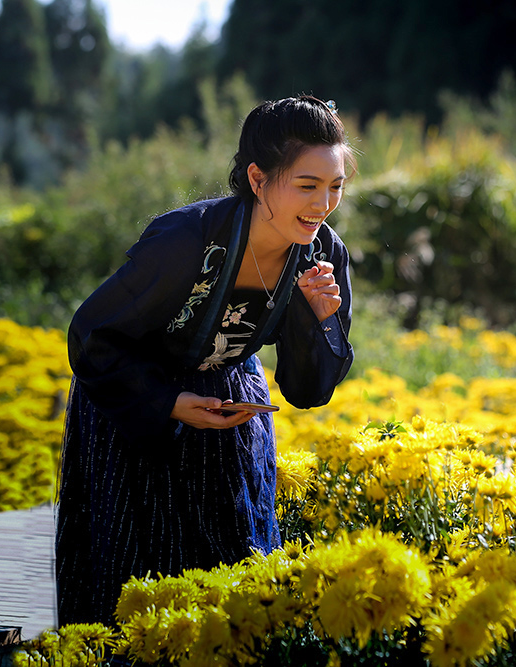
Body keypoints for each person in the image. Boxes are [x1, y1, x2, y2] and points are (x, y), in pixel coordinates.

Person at [55, 96, 355, 626]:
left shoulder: (322, 252)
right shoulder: (185, 240)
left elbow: (309, 391)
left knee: (234, 589)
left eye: (335, 186)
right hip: (135, 410)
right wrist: (169, 402)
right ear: (258, 179)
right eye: (307, 186)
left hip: (228, 411)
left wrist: (317, 321)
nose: (324, 203)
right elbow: (92, 335)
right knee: (137, 589)